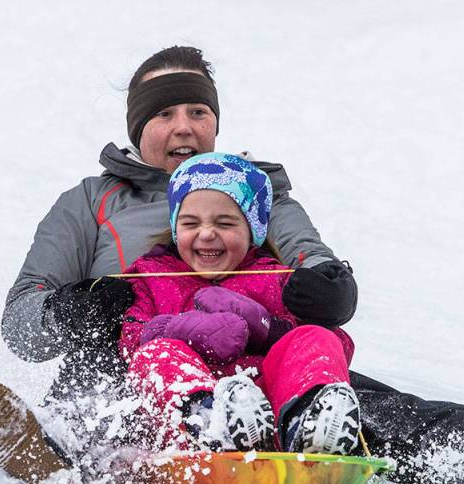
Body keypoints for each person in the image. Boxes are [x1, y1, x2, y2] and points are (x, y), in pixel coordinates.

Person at [0, 45, 464, 484]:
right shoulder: (93, 202)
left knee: (363, 405)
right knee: (106, 404)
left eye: (198, 111)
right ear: (138, 126)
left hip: (252, 359)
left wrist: (325, 285)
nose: (184, 127)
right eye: (165, 113)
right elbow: (22, 317)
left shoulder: (255, 193)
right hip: (137, 354)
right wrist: (69, 313)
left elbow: (308, 256)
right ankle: (53, 454)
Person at [121, 152, 360, 455]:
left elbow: (336, 345)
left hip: (268, 410)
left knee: (315, 336)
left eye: (225, 223)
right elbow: (130, 344)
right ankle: (211, 422)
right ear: (174, 227)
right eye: (190, 222)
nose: (206, 233)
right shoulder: (152, 275)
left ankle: (307, 425)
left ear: (253, 230)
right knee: (155, 354)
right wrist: (184, 329)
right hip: (185, 421)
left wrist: (269, 329)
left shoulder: (274, 278)